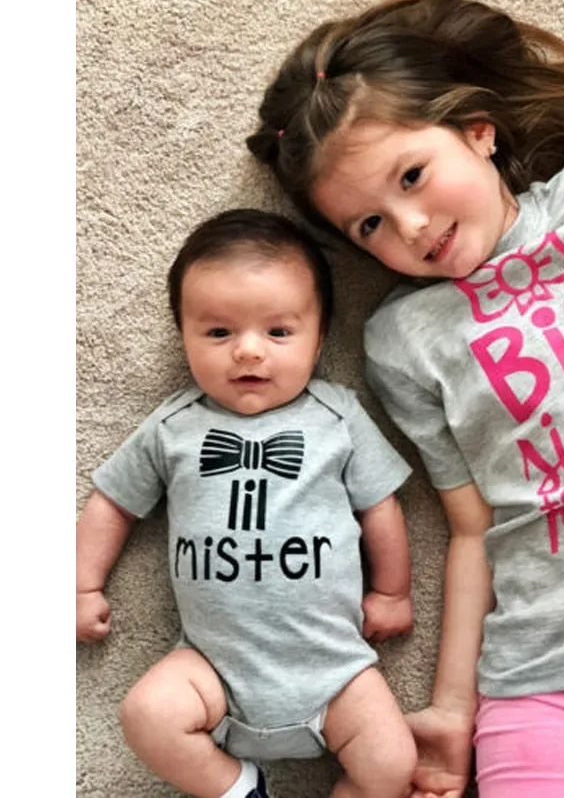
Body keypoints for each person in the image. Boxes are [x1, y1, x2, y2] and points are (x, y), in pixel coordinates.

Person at [244, 0, 564, 797]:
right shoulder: (402, 340)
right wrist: (451, 708)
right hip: (545, 673)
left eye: (412, 176)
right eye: (369, 224)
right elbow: (470, 530)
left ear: (478, 130)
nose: (409, 226)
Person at [76, 208, 419, 798]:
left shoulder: (338, 416)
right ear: (183, 333)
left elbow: (380, 505)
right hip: (212, 668)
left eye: (279, 332)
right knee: (145, 714)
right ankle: (237, 788)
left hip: (335, 671)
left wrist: (391, 591)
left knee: (392, 764)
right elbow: (114, 501)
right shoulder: (173, 426)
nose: (249, 353)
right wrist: (81, 585)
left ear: (318, 334)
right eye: (218, 333)